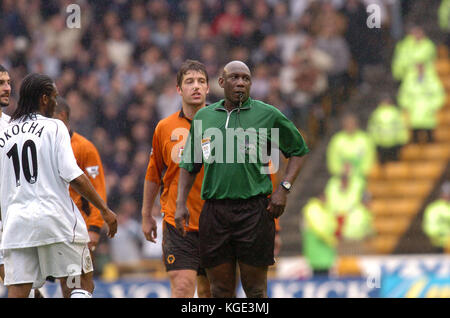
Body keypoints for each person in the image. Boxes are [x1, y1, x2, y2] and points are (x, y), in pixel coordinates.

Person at [175, 60, 309, 298]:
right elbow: (189, 165)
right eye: (234, 78)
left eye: (245, 79)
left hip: (254, 211)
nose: (240, 83)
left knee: (255, 290)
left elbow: (298, 150)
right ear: (221, 82)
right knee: (219, 291)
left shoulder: (267, 115)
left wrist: (283, 189)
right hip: (215, 212)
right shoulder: (204, 117)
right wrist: (180, 204)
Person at [0, 73, 117, 298]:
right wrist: (105, 210)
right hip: (56, 221)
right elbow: (74, 176)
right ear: (44, 99)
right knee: (81, 284)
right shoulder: (54, 127)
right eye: (54, 96)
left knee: (18, 291)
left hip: (17, 226)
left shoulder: (5, 134)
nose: (56, 101)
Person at [141, 60, 211, 298]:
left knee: (210, 292)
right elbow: (153, 173)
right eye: (189, 82)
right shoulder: (164, 127)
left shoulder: (223, 124)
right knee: (182, 288)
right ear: (179, 89)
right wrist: (146, 214)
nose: (196, 87)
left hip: (217, 222)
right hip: (177, 224)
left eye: (201, 81)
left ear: (209, 88)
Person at [53, 97, 107, 297]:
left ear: (61, 116)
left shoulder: (84, 147)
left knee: (80, 283)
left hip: (80, 227)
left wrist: (94, 227)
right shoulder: (46, 145)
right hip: (54, 226)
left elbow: (97, 189)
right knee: (68, 284)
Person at [397, 63, 445, 143]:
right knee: (414, 137)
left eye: (421, 67)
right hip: (414, 110)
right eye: (418, 67)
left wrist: (433, 105)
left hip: (428, 111)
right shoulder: (409, 80)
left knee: (430, 136)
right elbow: (403, 94)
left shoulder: (432, 80)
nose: (419, 69)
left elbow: (439, 94)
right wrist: (408, 105)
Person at [327, 113, 376, 178]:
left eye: (352, 123)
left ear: (357, 124)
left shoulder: (365, 139)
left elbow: (369, 159)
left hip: (361, 177)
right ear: (343, 125)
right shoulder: (337, 140)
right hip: (341, 177)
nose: (350, 126)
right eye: (347, 124)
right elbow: (333, 161)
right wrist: (341, 172)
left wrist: (359, 172)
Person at [301, 195, 337, 277]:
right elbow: (320, 230)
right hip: (318, 251)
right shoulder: (313, 209)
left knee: (323, 274)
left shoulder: (323, 208)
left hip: (324, 252)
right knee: (319, 275)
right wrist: (332, 240)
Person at [367, 95, 409, 165]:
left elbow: (400, 127)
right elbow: (373, 128)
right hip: (380, 143)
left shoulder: (395, 113)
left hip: (394, 143)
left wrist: (403, 138)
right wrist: (373, 140)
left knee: (394, 164)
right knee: (382, 164)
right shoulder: (376, 113)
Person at [0, 64, 12, 285]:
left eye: (9, 82)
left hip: (10, 218)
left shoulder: (13, 126)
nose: (7, 87)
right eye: (1, 83)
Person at [423, 182, 450, 253]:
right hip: (439, 245)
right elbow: (430, 228)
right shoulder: (434, 209)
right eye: (446, 193)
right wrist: (445, 235)